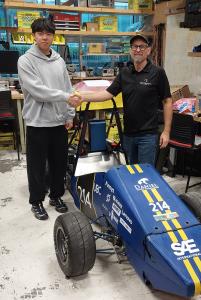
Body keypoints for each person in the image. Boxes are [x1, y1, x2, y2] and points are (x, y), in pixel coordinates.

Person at [69, 34, 173, 166]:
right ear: (130, 50)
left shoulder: (157, 73)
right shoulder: (124, 73)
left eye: (142, 46)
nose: (138, 49)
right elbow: (107, 94)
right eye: (135, 46)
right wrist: (83, 97)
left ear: (148, 50)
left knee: (144, 176)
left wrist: (166, 131)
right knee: (130, 172)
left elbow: (167, 101)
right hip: (128, 134)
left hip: (148, 136)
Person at [18, 18, 77, 220]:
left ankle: (56, 196)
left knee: (58, 163)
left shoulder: (59, 60)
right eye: (40, 33)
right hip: (37, 122)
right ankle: (36, 201)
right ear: (33, 35)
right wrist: (65, 97)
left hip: (58, 122)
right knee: (36, 165)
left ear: (53, 36)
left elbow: (67, 87)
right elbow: (38, 91)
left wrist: (69, 114)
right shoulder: (25, 61)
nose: (45, 37)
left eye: (49, 33)